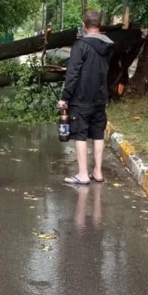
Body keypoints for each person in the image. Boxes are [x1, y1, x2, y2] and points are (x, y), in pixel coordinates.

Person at [58, 10, 114, 186]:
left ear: (84, 25)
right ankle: (97, 172)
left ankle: (83, 174)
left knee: (80, 134)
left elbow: (72, 74)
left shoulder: (80, 45)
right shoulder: (109, 45)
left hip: (81, 98)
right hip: (100, 97)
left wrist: (65, 97)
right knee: (98, 133)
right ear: (100, 25)